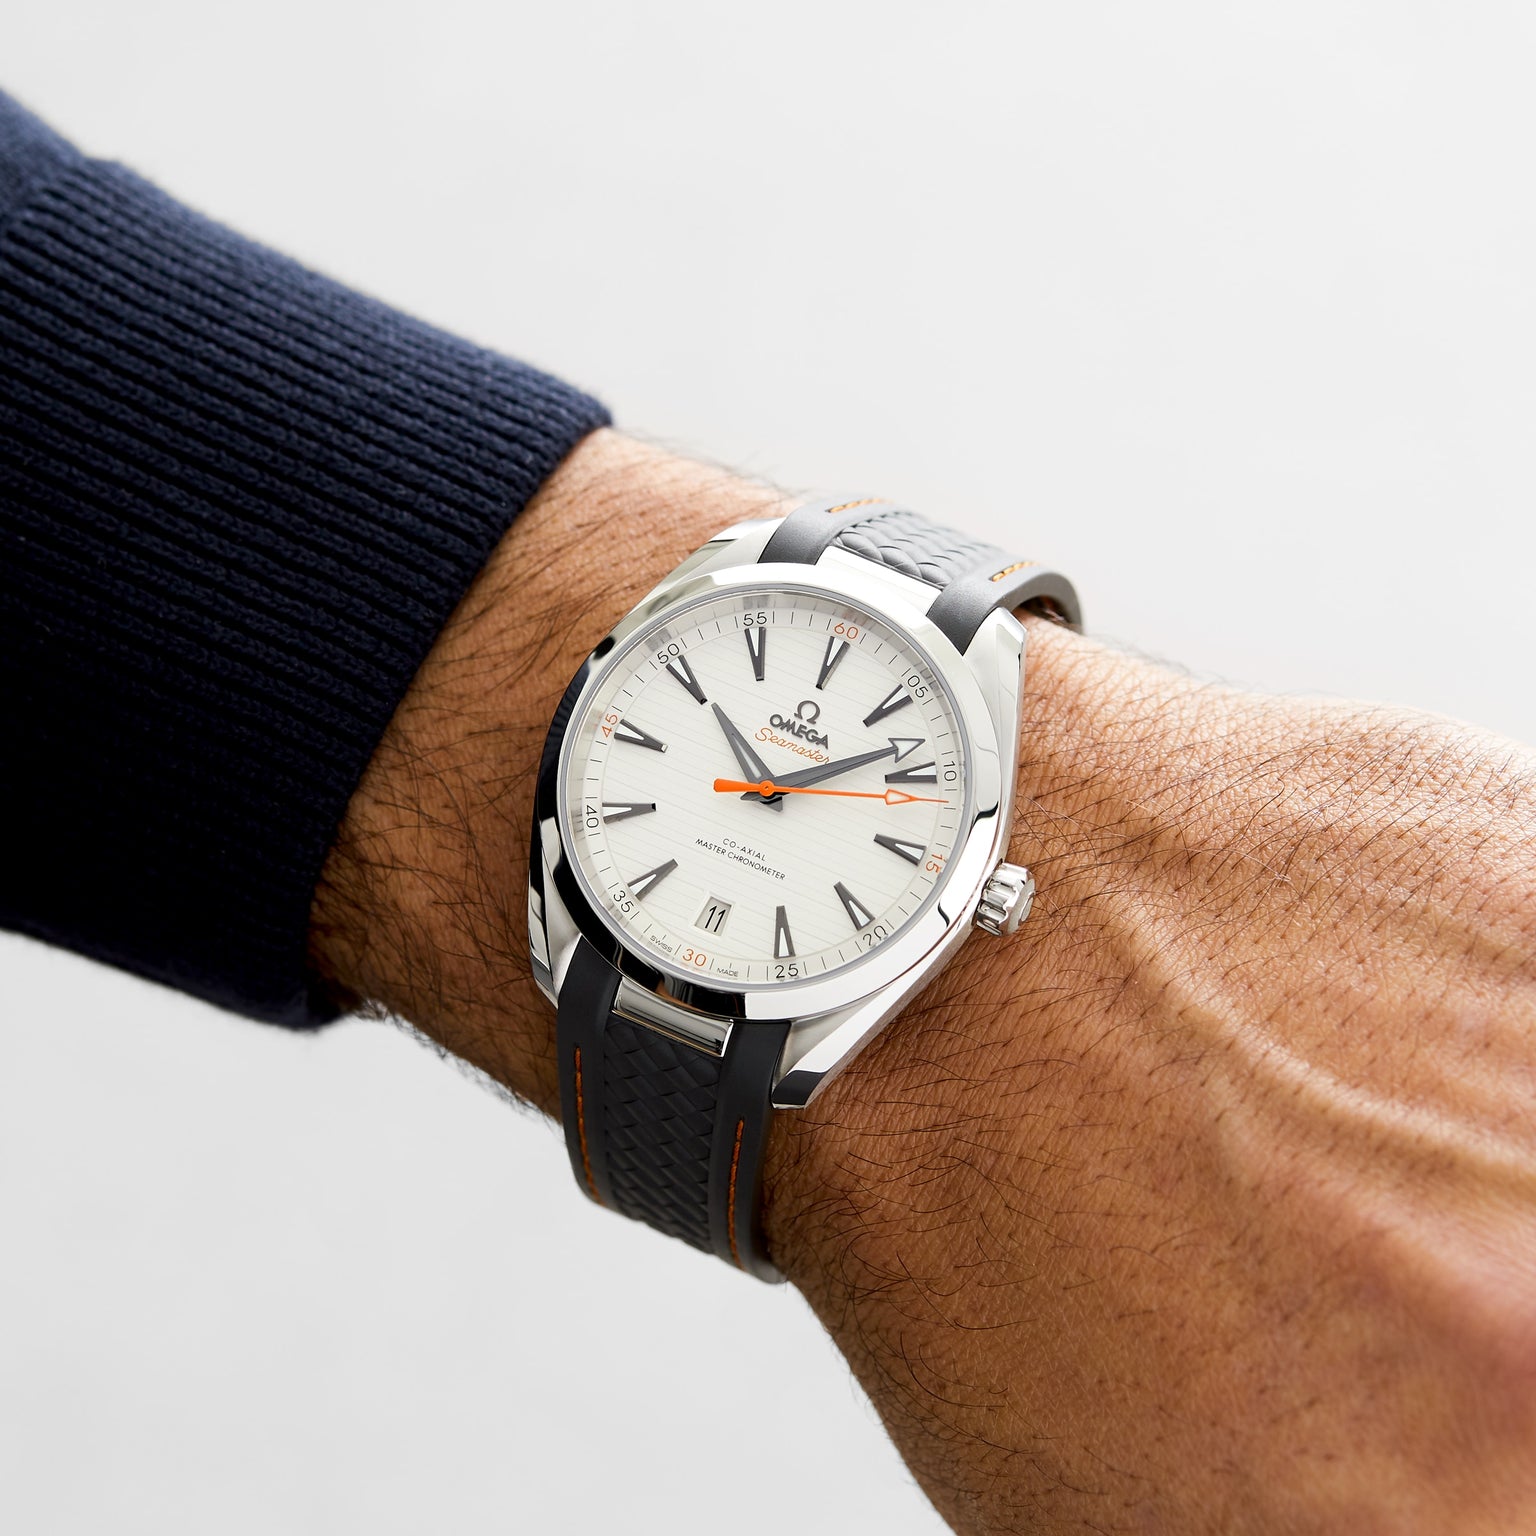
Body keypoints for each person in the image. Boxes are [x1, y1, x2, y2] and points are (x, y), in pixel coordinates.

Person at [2, 91, 1533, 1534]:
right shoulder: (649, 759)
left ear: (978, 891)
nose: (761, 790)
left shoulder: (916, 886)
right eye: (756, 775)